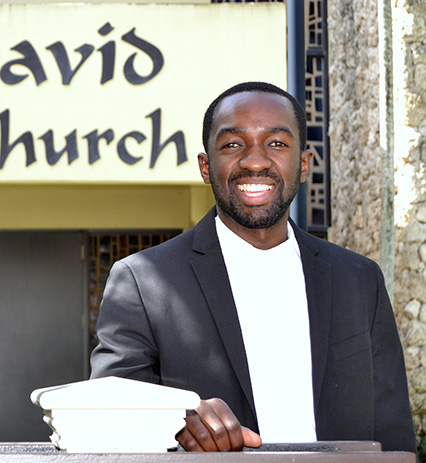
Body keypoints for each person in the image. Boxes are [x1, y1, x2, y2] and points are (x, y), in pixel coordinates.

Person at [90, 81, 416, 454]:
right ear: (205, 166)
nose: (255, 161)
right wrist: (176, 420)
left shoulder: (359, 279)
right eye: (232, 144)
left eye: (276, 144)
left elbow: (393, 435)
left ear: (304, 164)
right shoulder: (142, 280)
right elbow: (105, 418)